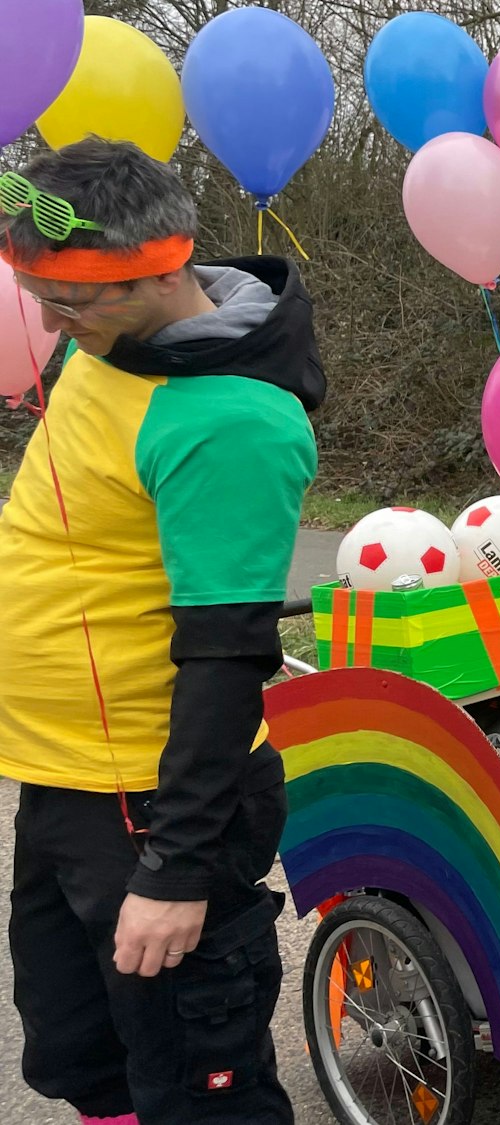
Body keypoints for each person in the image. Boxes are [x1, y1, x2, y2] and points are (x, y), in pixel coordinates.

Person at [0, 139, 319, 1124]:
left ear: (161, 268)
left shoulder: (228, 421)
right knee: (77, 1055)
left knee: (198, 1089)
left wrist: (177, 870)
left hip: (151, 801)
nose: (48, 321)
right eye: (35, 290)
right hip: (63, 780)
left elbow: (226, 659)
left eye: (70, 298)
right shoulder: (107, 341)